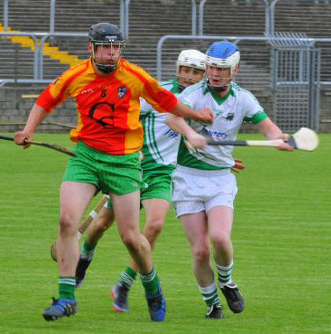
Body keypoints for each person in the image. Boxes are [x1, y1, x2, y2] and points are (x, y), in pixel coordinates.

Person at [14, 22, 213, 322]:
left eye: (115, 47)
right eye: (104, 47)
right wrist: (28, 130)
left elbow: (166, 101)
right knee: (67, 220)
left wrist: (197, 115)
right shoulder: (75, 75)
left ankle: (152, 287)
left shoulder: (134, 76)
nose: (110, 54)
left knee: (131, 237)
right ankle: (66, 298)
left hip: (124, 162)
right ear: (91, 48)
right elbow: (46, 100)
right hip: (86, 158)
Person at [74, 49, 245, 313]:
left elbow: (202, 137)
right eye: (185, 70)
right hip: (134, 169)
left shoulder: (203, 99)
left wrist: (223, 160)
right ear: (177, 69)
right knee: (101, 225)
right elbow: (124, 118)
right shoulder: (157, 93)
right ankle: (84, 259)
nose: (189, 77)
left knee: (154, 226)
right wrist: (130, 149)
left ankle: (124, 284)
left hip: (164, 175)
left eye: (196, 72)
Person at [168, 40, 294, 320]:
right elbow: (173, 119)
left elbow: (268, 128)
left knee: (220, 239)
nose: (215, 73)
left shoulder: (243, 98)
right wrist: (190, 134)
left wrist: (281, 140)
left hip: (220, 180)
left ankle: (226, 281)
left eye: (222, 69)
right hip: (187, 179)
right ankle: (213, 304)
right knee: (200, 251)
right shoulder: (193, 93)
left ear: (234, 70)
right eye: (212, 67)